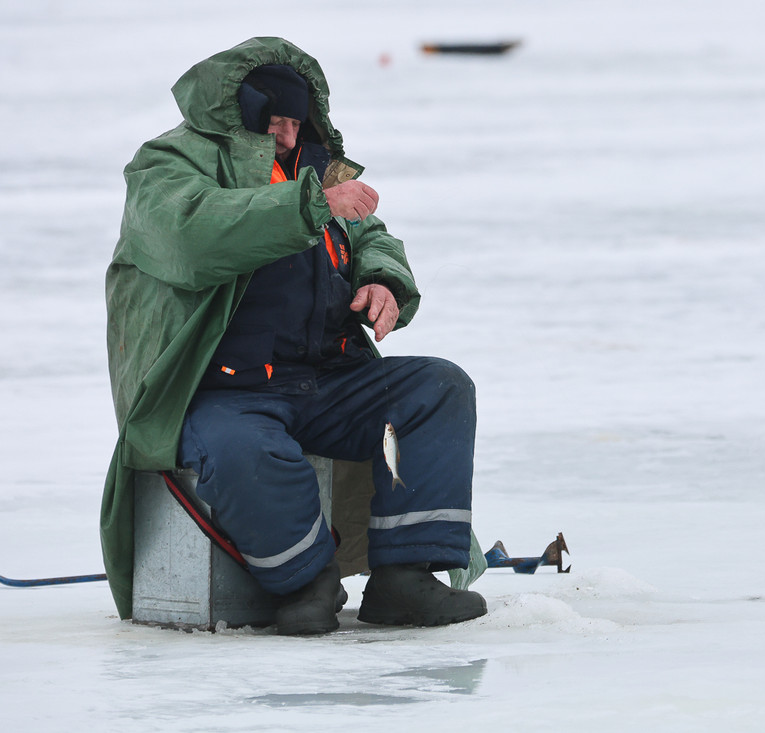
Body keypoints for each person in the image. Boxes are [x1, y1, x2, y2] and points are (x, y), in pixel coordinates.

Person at [102, 37, 487, 635]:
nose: (285, 134)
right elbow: (192, 239)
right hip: (221, 389)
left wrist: (383, 278)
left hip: (329, 378)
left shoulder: (318, 161)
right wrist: (309, 205)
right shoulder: (165, 164)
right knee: (239, 451)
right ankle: (306, 584)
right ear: (237, 115)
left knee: (438, 387)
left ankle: (406, 578)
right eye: (271, 119)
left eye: (293, 120)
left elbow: (368, 233)